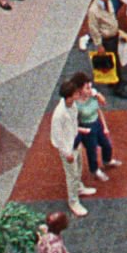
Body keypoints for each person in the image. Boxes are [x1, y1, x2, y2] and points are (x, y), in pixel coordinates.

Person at [50, 74, 94, 217]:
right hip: (68, 149)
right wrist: (66, 153)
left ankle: (79, 187)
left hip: (75, 141)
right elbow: (57, 136)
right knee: (72, 175)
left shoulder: (72, 105)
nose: (78, 94)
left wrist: (79, 133)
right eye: (75, 93)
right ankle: (73, 201)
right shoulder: (59, 114)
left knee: (79, 167)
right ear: (69, 96)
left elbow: (73, 123)